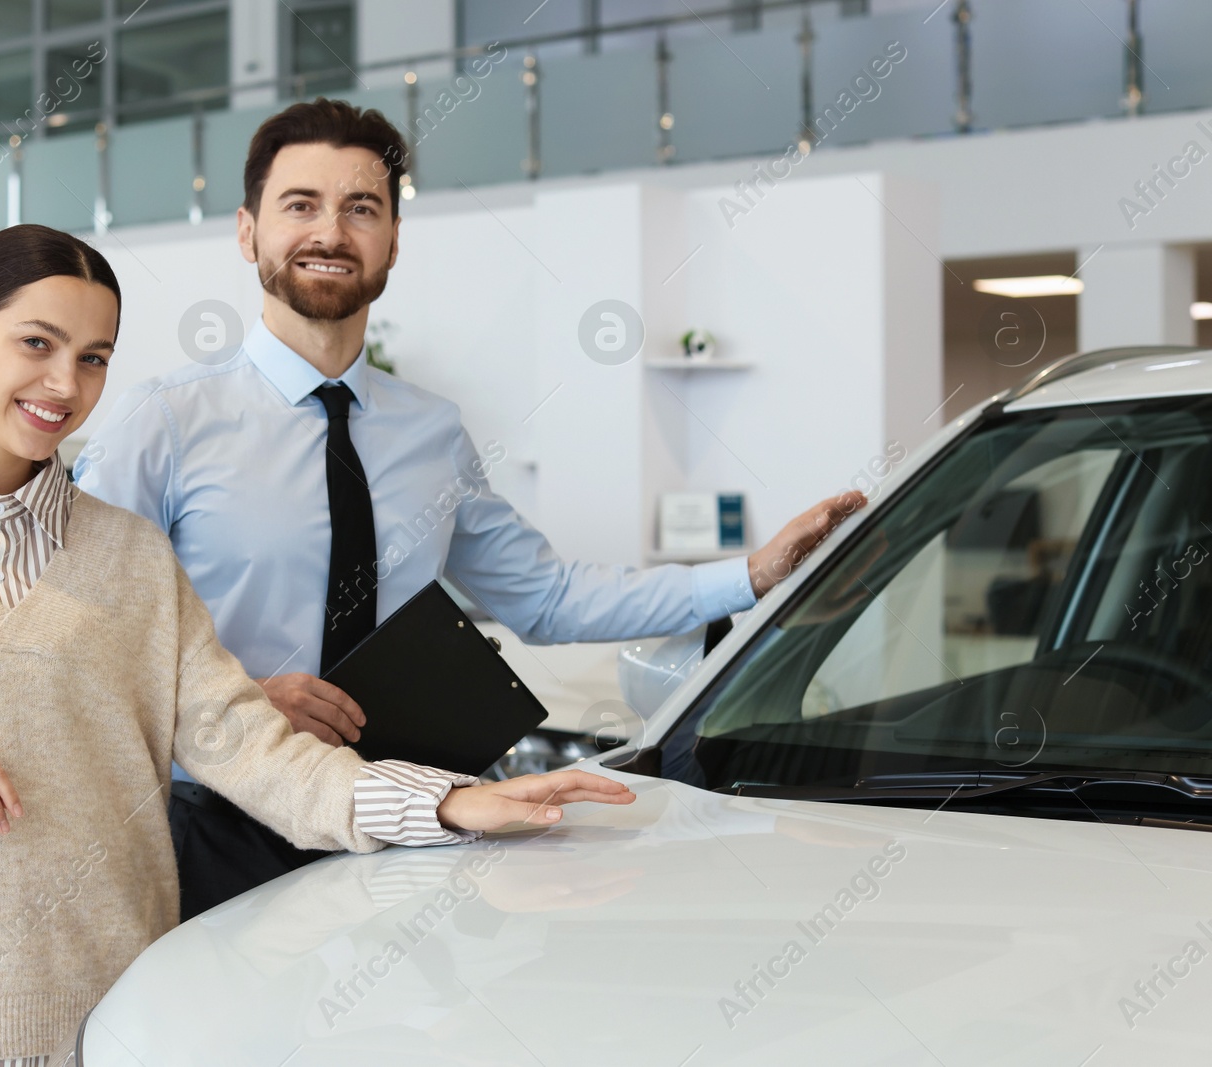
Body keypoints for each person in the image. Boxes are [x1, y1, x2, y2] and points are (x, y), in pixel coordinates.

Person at [0, 223, 635, 1066]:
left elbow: (262, 758)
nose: (66, 385)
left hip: (118, 1023)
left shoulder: (131, 555)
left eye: (95, 357)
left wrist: (457, 802)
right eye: (37, 343)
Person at [75, 99, 866, 920]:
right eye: (301, 205)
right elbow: (74, 643)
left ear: (391, 242)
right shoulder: (161, 424)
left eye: (362, 208)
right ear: (248, 233)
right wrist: (227, 702)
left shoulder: (430, 430)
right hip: (216, 823)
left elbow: (547, 597)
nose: (330, 231)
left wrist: (749, 575)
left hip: (402, 813)